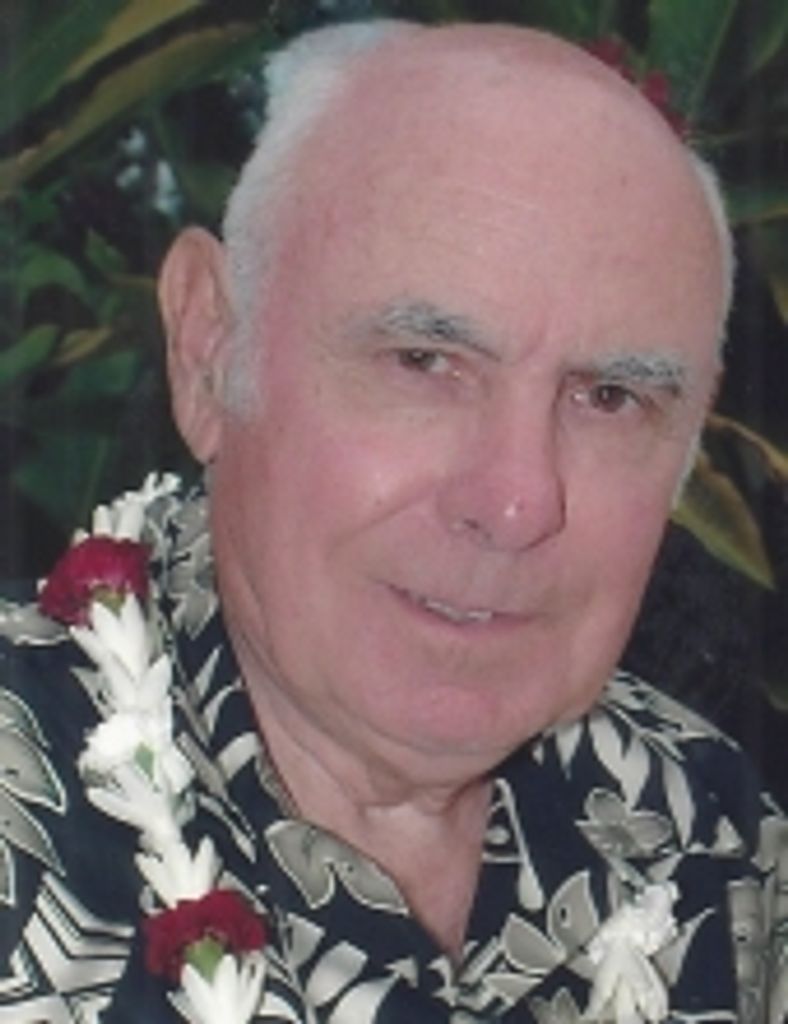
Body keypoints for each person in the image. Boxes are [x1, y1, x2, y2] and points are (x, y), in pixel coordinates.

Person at [0, 18, 786, 1024]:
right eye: (423, 361)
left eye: (609, 398)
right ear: (209, 349)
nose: (514, 501)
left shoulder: (714, 840)